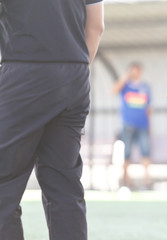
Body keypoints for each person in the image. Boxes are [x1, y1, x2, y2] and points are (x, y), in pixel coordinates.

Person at [0, 0, 104, 239]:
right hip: (75, 75)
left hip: (23, 73)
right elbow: (96, 26)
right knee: (64, 185)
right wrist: (72, 71)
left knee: (3, 183)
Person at [112, 62, 152, 189]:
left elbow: (149, 108)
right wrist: (125, 77)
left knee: (145, 152)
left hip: (143, 125)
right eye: (132, 71)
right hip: (128, 125)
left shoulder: (145, 87)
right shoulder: (125, 86)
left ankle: (147, 181)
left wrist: (150, 126)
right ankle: (126, 181)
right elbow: (113, 90)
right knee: (127, 152)